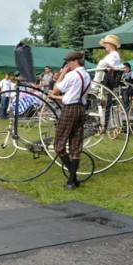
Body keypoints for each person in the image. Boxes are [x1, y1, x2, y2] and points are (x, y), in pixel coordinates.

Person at [49, 51, 91, 190]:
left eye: (68, 62)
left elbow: (55, 90)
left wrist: (62, 73)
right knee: (76, 145)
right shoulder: (87, 76)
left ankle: (72, 178)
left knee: (59, 145)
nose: (67, 65)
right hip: (81, 109)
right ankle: (72, 181)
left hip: (70, 110)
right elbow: (73, 95)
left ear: (75, 61)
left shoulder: (72, 75)